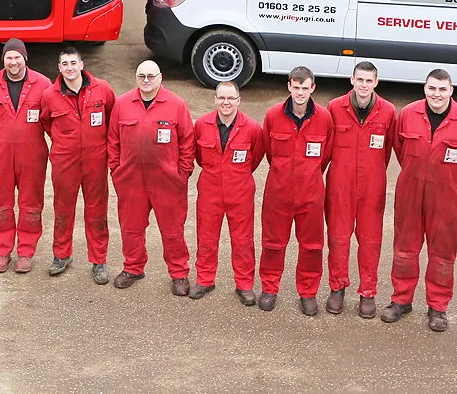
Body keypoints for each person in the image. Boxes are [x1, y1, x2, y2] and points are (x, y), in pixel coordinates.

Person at [382, 69, 457, 332]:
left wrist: (445, 177)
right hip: (410, 191)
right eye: (431, 88)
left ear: (451, 91)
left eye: (442, 89)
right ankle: (401, 300)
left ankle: (438, 307)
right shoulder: (408, 114)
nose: (436, 94)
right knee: (405, 249)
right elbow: (399, 147)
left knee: (442, 254)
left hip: (447, 196)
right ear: (424, 89)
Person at [108, 60, 195, 296]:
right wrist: (116, 169)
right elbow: (113, 139)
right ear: (136, 78)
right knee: (131, 228)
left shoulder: (176, 105)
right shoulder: (123, 103)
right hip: (131, 180)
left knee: (172, 230)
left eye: (151, 76)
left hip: (167, 181)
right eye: (141, 76)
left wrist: (182, 173)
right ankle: (133, 268)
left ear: (160, 77)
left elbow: (188, 141)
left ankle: (179, 273)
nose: (146, 81)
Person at [258, 66, 335, 316]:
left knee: (312, 246)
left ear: (313, 88)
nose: (300, 92)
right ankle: (270, 288)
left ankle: (308, 292)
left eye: (305, 88)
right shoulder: (273, 115)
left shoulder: (324, 118)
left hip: (311, 195)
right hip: (278, 194)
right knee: (272, 244)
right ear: (288, 86)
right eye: (296, 87)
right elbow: (269, 152)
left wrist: (309, 176)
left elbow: (326, 155)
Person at [324, 61, 397, 318]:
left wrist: (373, 173)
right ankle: (337, 287)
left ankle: (368, 291)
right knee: (338, 238)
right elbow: (326, 147)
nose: (364, 85)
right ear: (352, 80)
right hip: (340, 185)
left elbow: (388, 150)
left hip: (372, 186)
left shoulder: (388, 111)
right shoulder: (334, 107)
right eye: (360, 80)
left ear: (376, 83)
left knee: (370, 240)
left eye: (369, 81)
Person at [40, 46, 117, 282]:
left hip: (95, 160)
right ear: (59, 68)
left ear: (82, 65)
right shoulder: (49, 95)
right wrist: (64, 143)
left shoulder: (102, 89)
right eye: (65, 64)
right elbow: (46, 123)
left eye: (73, 63)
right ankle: (61, 255)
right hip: (65, 161)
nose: (70, 68)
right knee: (63, 209)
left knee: (97, 211)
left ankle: (99, 261)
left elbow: (113, 117)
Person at [0, 38, 52, 274]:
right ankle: (2, 251)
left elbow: (49, 116)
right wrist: (4, 133)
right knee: (0, 204)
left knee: (31, 204)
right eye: (9, 57)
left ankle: (26, 252)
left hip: (32, 154)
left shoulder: (43, 84)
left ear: (25, 58)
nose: (13, 62)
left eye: (17, 57)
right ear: (3, 60)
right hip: (0, 154)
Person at [190, 80, 265, 304]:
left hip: (240, 191)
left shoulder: (252, 128)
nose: (226, 102)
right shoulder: (202, 124)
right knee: (206, 237)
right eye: (221, 98)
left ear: (239, 101)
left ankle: (244, 285)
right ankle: (205, 280)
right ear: (215, 100)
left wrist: (235, 175)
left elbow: (257, 156)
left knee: (243, 240)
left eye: (231, 98)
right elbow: (198, 157)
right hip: (210, 189)